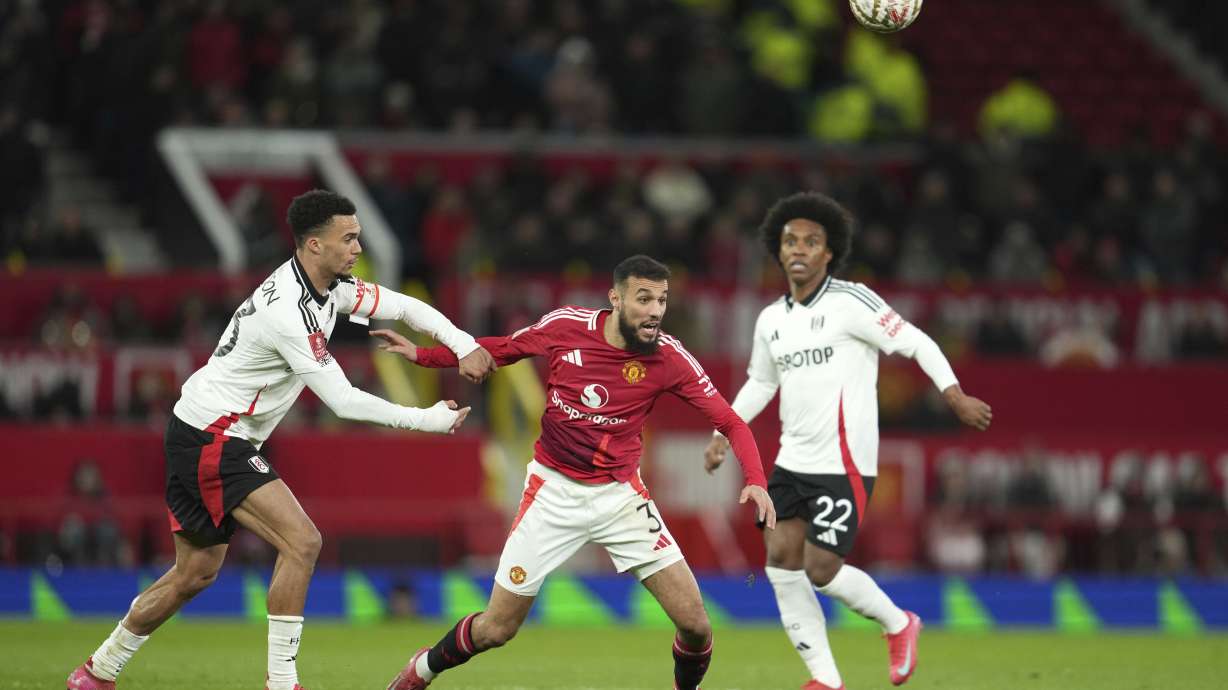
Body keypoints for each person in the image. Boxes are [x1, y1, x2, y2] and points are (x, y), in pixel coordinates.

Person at [67, 190, 497, 690]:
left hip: (201, 430)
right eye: (349, 237)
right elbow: (343, 400)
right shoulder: (288, 312)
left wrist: (464, 344)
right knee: (303, 540)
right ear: (314, 245)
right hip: (214, 434)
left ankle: (96, 672)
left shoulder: (331, 288)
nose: (358, 246)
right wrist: (426, 421)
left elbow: (401, 306)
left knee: (194, 574)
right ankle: (281, 683)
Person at [372, 254, 776, 690]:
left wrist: (756, 480)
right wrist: (423, 355)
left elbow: (731, 422)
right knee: (496, 629)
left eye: (662, 300)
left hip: (621, 498)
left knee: (696, 625)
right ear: (615, 299)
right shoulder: (567, 326)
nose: (656, 310)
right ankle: (422, 669)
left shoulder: (668, 358)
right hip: (552, 492)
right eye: (644, 299)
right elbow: (504, 349)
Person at [703, 192, 992, 690]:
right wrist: (723, 432)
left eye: (811, 242)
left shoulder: (851, 302)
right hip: (791, 462)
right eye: (790, 240)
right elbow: (762, 382)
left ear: (829, 252)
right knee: (779, 562)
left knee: (821, 567)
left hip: (844, 462)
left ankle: (900, 623)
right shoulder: (771, 319)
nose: (798, 249)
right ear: (778, 248)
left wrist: (954, 394)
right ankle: (827, 680)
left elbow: (917, 340)